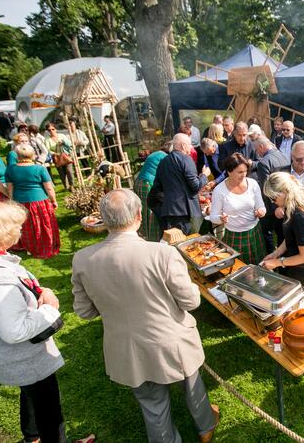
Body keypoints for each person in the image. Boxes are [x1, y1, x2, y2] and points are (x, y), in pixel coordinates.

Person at [72, 190, 219, 443]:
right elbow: (191, 301)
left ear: (104, 220)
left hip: (127, 347)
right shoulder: (162, 253)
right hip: (173, 341)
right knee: (192, 383)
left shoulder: (82, 259)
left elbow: (84, 311)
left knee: (152, 403)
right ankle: (205, 425)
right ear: (140, 216)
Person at [0, 200, 93, 443]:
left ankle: (32, 438)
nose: (19, 231)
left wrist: (33, 290)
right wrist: (49, 309)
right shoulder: (0, 277)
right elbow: (13, 330)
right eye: (15, 227)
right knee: (49, 411)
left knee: (31, 396)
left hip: (1, 352)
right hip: (24, 355)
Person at [262, 172, 304, 304]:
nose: (272, 202)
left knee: (303, 307)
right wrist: (276, 253)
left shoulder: (299, 216)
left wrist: (278, 262)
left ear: (284, 192)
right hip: (299, 267)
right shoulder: (290, 206)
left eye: (273, 198)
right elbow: (291, 237)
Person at [209, 153, 267, 264]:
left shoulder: (253, 184)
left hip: (254, 232)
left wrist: (261, 211)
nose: (244, 175)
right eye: (240, 172)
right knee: (237, 268)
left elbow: (261, 206)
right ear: (229, 171)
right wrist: (221, 218)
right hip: (234, 235)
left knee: (258, 266)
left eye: (245, 171)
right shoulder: (219, 190)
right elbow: (213, 217)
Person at [149, 133, 210, 236]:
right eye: (190, 145)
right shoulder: (186, 159)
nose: (191, 148)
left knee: (175, 244)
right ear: (183, 145)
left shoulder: (163, 162)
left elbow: (156, 189)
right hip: (186, 213)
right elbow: (195, 186)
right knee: (188, 245)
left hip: (169, 212)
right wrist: (204, 176)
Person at [6, 144, 60, 259]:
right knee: (43, 224)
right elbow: (49, 188)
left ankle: (29, 247)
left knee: (26, 226)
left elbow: (10, 187)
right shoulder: (40, 168)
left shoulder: (11, 169)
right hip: (39, 201)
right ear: (33, 154)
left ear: (17, 155)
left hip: (20, 201)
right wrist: (53, 200)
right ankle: (45, 246)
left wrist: (11, 201)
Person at [253, 137, 289, 253]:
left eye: (257, 150)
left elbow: (266, 189)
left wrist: (274, 208)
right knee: (282, 233)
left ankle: (271, 253)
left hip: (272, 205)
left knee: (266, 231)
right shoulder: (284, 155)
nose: (257, 153)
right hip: (285, 201)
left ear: (261, 147)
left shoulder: (263, 162)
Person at [134, 140, 171, 241]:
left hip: (140, 181)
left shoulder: (157, 153)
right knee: (152, 213)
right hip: (148, 183)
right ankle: (153, 240)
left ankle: (145, 235)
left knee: (144, 212)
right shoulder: (164, 157)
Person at [44, 123, 75, 192]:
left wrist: (63, 143)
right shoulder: (47, 139)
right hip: (56, 158)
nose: (51, 131)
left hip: (66, 156)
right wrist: (55, 153)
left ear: (55, 129)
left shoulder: (62, 136)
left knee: (69, 171)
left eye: (53, 129)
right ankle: (66, 187)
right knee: (62, 173)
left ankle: (72, 186)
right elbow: (47, 150)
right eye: (49, 130)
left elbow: (70, 144)